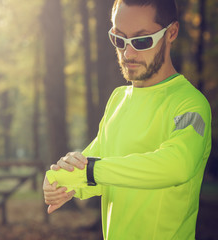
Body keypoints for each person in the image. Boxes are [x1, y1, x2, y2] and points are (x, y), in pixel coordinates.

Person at [42, 0, 212, 239]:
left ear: (171, 33)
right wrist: (56, 181)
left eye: (142, 41)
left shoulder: (190, 104)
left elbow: (177, 165)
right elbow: (90, 168)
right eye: (119, 39)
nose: (127, 53)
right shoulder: (118, 99)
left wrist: (90, 171)